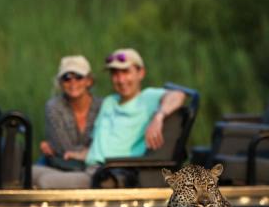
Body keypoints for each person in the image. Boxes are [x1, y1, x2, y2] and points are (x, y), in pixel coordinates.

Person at [33, 48, 186, 189]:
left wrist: (159, 117)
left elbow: (178, 95)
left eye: (125, 72)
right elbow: (102, 143)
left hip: (110, 174)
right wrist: (81, 153)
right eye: (115, 73)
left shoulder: (147, 98)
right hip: (91, 167)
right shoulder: (109, 102)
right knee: (29, 172)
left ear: (141, 73)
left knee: (44, 182)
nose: (120, 80)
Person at [38, 55, 102, 170]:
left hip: (96, 165)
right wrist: (90, 151)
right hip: (64, 165)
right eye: (66, 78)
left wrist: (88, 153)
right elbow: (64, 149)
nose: (73, 82)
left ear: (89, 81)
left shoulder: (103, 106)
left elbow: (107, 144)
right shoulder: (53, 107)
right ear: (60, 83)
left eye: (78, 77)